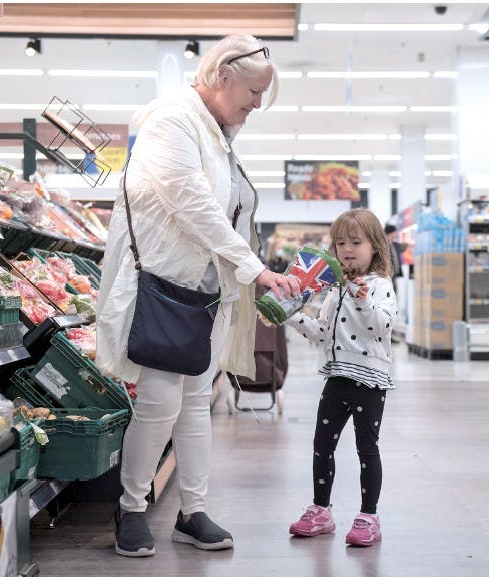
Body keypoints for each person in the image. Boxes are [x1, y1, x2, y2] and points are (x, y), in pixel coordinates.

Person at [95, 34, 300, 558]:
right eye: (252, 92)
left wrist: (248, 271)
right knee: (161, 402)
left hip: (206, 292)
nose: (255, 105)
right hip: (164, 287)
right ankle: (132, 508)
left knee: (194, 404)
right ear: (221, 77)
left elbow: (229, 209)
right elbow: (194, 204)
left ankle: (193, 511)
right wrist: (254, 269)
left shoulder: (217, 131)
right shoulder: (172, 121)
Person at [286, 208, 398, 547]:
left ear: (375, 246)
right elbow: (322, 333)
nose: (347, 249)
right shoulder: (334, 290)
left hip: (369, 381)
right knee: (322, 446)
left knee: (367, 448)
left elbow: (381, 326)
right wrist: (290, 314)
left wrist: (361, 301)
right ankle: (321, 510)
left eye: (356, 241)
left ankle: (369, 516)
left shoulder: (380, 286)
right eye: (340, 243)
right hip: (336, 377)